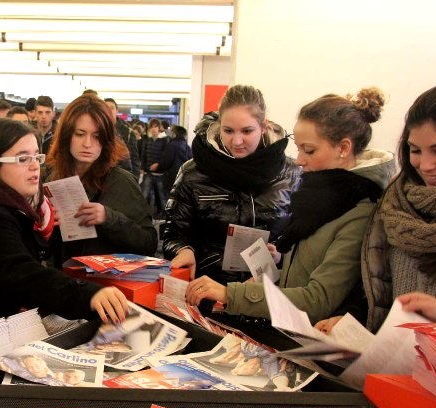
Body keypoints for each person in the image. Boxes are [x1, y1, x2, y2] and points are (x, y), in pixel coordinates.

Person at [187, 88, 393, 324]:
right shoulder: (322, 199)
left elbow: (318, 299)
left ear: (343, 148)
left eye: (309, 150)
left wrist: (229, 293)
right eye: (299, 148)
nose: (299, 160)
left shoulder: (358, 210)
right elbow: (304, 276)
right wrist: (277, 269)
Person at [319, 82, 436, 333]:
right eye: (415, 150)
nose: (426, 165)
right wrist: (351, 320)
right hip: (389, 366)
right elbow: (378, 292)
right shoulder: (394, 204)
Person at [0, 118, 128, 334]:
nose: (34, 166)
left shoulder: (16, 207)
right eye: (22, 158)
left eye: (36, 156)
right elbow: (23, 274)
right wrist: (88, 295)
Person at [163, 84, 300, 284]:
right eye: (228, 131)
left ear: (263, 126)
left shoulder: (290, 173)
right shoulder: (193, 172)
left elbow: (302, 237)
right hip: (208, 288)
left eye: (247, 131)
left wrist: (281, 254)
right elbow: (174, 232)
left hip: (268, 294)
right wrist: (185, 250)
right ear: (219, 125)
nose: (236, 141)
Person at [45, 94, 157, 264]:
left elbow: (148, 243)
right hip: (64, 281)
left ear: (106, 140)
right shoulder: (52, 178)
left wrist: (108, 218)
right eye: (80, 134)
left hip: (108, 283)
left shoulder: (120, 181)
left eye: (97, 136)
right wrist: (45, 226)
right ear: (67, 136)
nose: (88, 144)